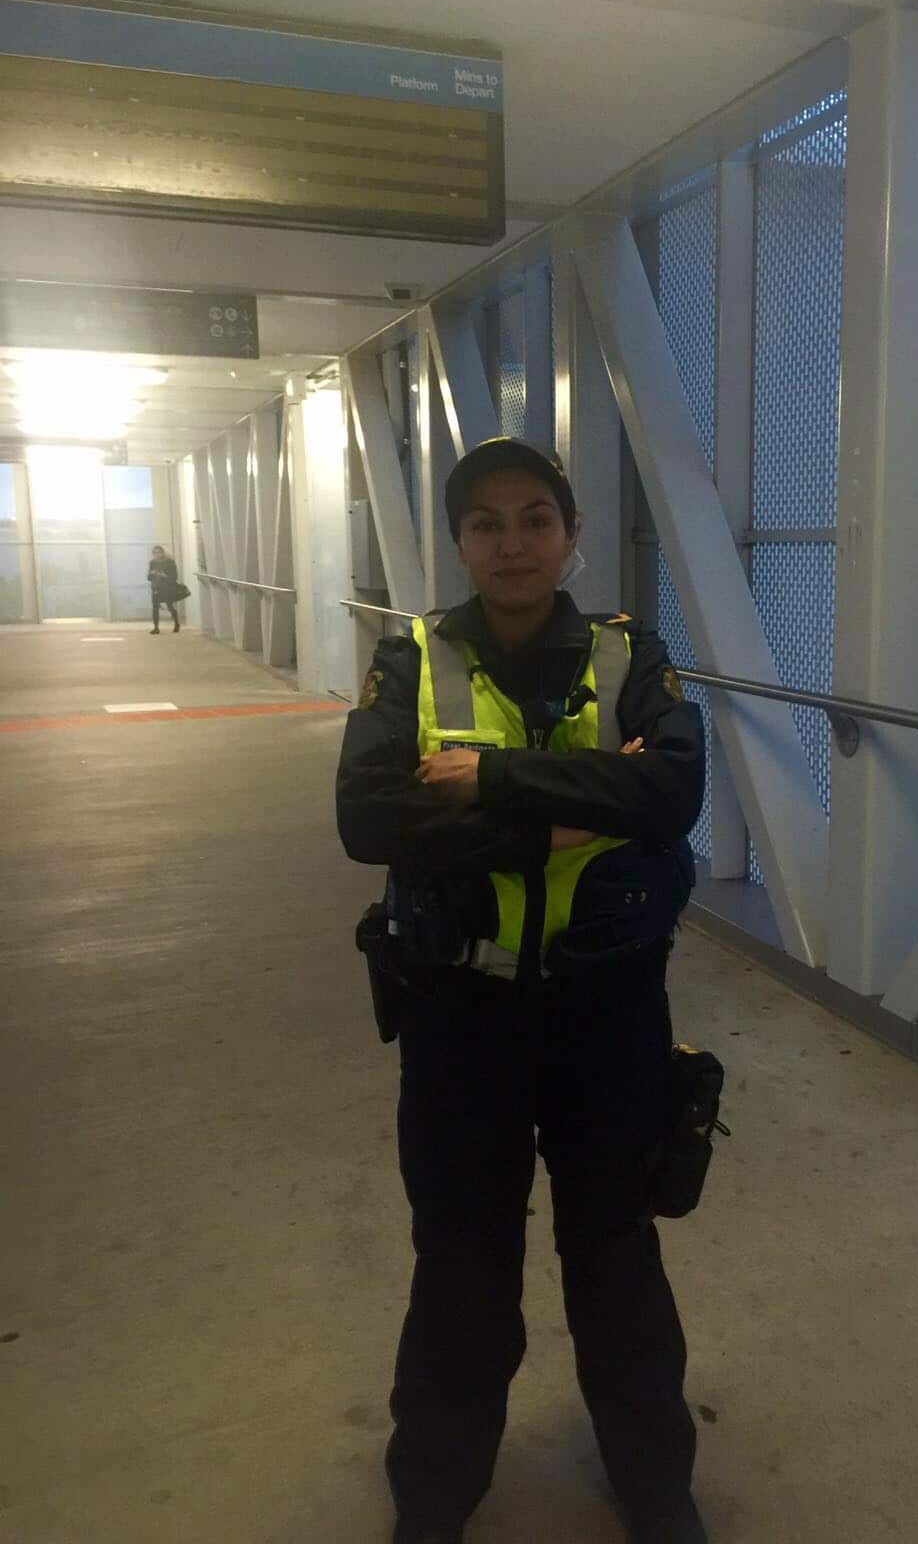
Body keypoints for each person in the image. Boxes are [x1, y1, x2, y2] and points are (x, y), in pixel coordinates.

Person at [336, 437, 709, 1544]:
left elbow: (675, 787)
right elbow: (368, 818)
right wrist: (589, 804)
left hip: (608, 1017)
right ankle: (434, 1498)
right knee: (462, 1262)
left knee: (617, 1258)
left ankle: (656, 1488)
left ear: (570, 533)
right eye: (488, 522)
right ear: (459, 541)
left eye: (535, 518)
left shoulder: (628, 652)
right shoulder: (409, 661)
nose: (512, 543)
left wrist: (490, 778)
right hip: (461, 1014)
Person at [147, 545, 180, 633]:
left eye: (158, 552)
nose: (157, 554)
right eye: (155, 553)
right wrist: (152, 573)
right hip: (156, 588)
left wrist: (164, 576)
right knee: (155, 607)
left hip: (167, 587)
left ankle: (176, 624)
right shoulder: (152, 563)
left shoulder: (170, 562)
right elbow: (149, 577)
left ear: (162, 553)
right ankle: (156, 628)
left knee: (170, 606)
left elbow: (175, 577)